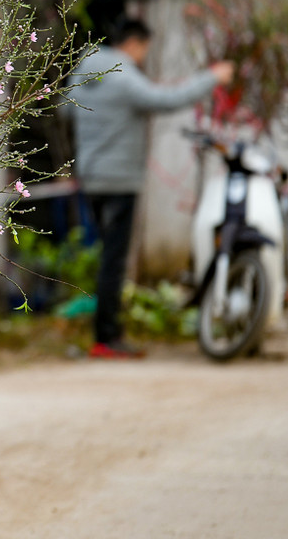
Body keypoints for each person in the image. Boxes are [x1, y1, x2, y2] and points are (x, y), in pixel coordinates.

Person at [70, 18, 233, 359]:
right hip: (120, 181)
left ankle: (105, 332)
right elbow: (166, 100)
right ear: (133, 43)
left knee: (106, 257)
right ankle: (106, 337)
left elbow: (64, 111)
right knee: (114, 261)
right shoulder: (123, 76)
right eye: (145, 49)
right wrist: (211, 78)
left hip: (92, 177)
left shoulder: (84, 73)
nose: (143, 56)